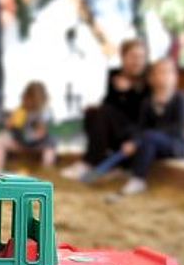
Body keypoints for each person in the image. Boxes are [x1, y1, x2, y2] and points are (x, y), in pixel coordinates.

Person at [62, 38, 148, 180]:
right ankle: (99, 160)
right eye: (133, 57)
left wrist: (129, 92)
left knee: (103, 112)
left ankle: (90, 162)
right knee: (92, 113)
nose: (137, 61)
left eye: (141, 57)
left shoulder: (148, 80)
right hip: (117, 128)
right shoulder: (114, 75)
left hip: (135, 132)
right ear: (123, 57)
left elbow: (142, 115)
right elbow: (109, 103)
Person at [114, 58, 184, 196]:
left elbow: (178, 127)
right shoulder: (148, 102)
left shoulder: (180, 98)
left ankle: (138, 179)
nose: (164, 76)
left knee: (148, 137)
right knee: (133, 136)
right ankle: (126, 169)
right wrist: (133, 141)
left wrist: (146, 136)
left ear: (175, 77)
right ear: (152, 78)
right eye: (160, 72)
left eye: (168, 72)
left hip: (174, 145)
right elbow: (141, 127)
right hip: (151, 144)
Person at [0, 81, 57, 172]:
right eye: (27, 99)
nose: (28, 102)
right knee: (1, 140)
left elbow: (41, 131)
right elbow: (9, 126)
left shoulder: (42, 113)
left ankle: (47, 168)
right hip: (19, 142)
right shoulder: (20, 111)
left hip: (36, 144)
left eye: (32, 100)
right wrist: (10, 123)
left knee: (50, 145)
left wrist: (34, 136)